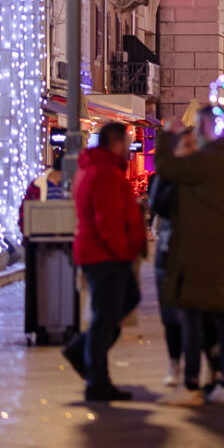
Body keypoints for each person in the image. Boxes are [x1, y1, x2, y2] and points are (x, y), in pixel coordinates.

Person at [155, 111, 224, 406]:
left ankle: (192, 385)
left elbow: (165, 165)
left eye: (198, 127)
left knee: (192, 318)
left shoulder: (213, 160)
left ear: (208, 126)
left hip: (202, 252)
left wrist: (167, 134)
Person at [62, 122, 145, 402]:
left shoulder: (99, 169)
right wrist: (122, 251)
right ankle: (96, 378)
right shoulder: (103, 172)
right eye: (126, 142)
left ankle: (82, 353)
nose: (129, 148)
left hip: (102, 253)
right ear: (115, 142)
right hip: (105, 255)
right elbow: (107, 219)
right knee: (103, 318)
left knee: (118, 307)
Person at [149, 130, 194, 388]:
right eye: (183, 144)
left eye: (191, 144)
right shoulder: (166, 177)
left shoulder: (202, 173)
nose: (188, 149)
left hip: (195, 250)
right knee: (170, 313)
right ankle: (174, 362)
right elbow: (159, 205)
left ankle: (194, 367)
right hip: (168, 251)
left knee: (194, 313)